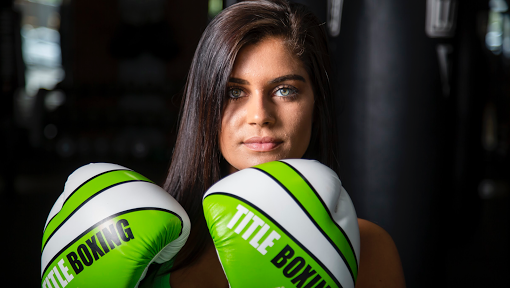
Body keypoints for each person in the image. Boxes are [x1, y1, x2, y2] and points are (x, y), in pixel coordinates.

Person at [142, 0, 405, 287]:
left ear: (316, 106)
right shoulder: (148, 244)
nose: (260, 116)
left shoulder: (368, 249)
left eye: (284, 90)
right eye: (233, 92)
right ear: (204, 106)